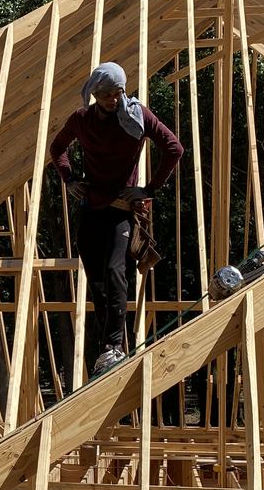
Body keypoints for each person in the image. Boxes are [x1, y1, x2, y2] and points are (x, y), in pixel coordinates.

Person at [49, 61, 184, 375]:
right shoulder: (82, 120)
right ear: (95, 94)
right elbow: (57, 147)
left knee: (115, 272)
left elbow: (174, 148)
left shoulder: (137, 116)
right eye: (107, 94)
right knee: (97, 279)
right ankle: (108, 348)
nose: (114, 99)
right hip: (91, 206)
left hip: (122, 209)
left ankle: (114, 346)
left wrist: (147, 189)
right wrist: (69, 180)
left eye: (119, 92)